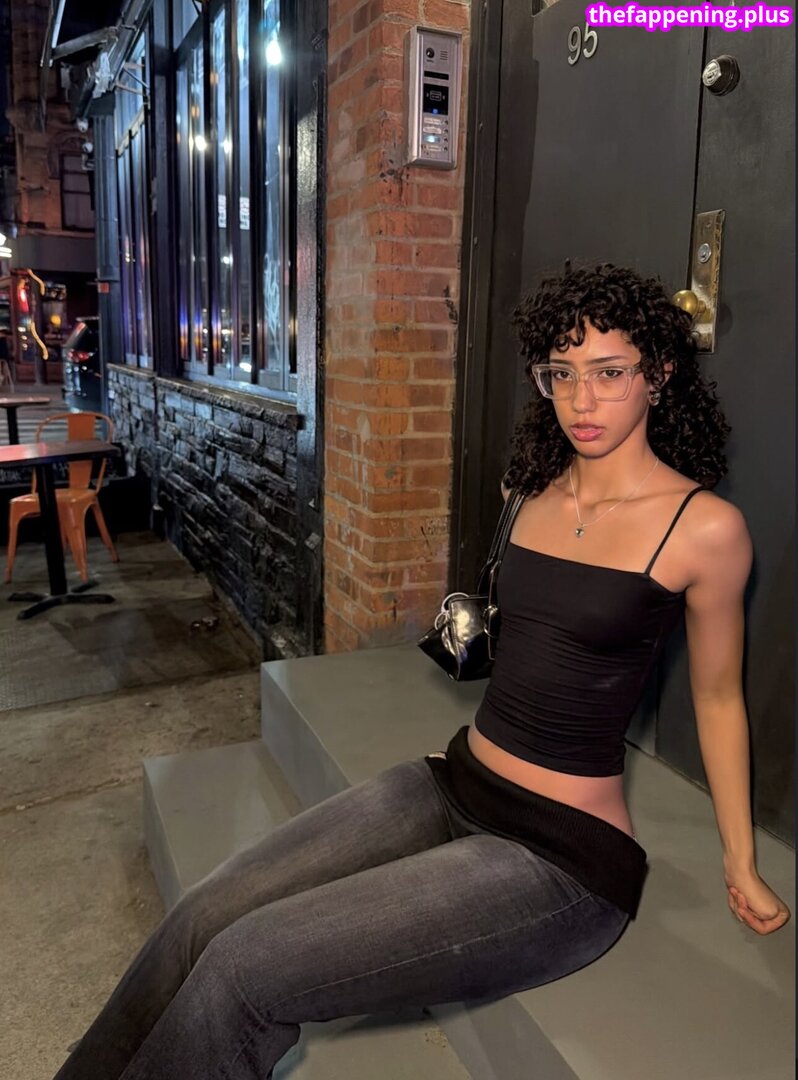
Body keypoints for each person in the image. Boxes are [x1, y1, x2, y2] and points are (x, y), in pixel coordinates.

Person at [53, 264, 790, 1080]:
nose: (582, 400)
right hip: (452, 783)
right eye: (561, 373)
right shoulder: (526, 492)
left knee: (244, 967)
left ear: (659, 375)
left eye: (610, 373)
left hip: (560, 860)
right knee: (203, 916)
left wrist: (739, 862)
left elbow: (717, 697)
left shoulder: (703, 529)